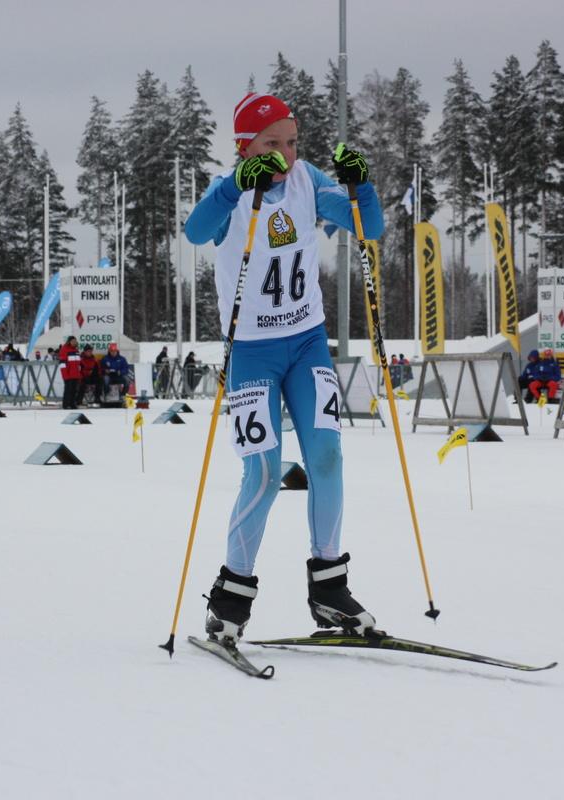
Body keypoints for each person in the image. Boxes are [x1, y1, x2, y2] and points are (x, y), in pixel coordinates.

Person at [184, 90, 384, 642]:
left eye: (292, 142)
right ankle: (231, 597)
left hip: (306, 343)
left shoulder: (307, 180)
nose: (286, 155)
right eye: (271, 144)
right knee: (265, 472)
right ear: (245, 146)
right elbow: (196, 231)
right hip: (252, 352)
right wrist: (234, 185)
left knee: (326, 456)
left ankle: (330, 589)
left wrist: (359, 184)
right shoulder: (230, 192)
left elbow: (369, 227)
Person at [58, 335, 81, 409]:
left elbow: (78, 363)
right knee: (68, 390)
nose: (74, 342)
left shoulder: (76, 350)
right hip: (68, 374)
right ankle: (66, 404)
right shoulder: (64, 349)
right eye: (73, 341)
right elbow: (62, 364)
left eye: (75, 341)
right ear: (69, 342)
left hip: (75, 374)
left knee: (74, 390)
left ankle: (72, 404)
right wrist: (65, 375)